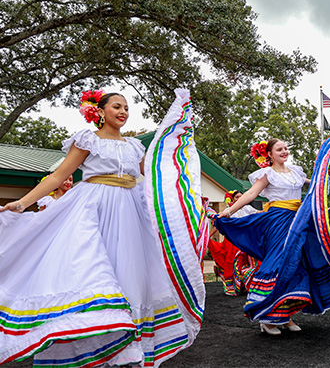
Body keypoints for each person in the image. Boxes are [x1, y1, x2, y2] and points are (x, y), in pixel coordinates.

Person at [0, 90, 205, 365]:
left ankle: (127, 349)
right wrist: (23, 203)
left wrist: (185, 200)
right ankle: (91, 341)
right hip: (93, 209)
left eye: (126, 108)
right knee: (94, 270)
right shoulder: (87, 139)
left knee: (131, 273)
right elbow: (59, 176)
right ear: (100, 111)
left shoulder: (134, 146)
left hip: (131, 211)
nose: (123, 112)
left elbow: (155, 178)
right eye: (116, 106)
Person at [215, 137, 330, 335]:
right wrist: (228, 211)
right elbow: (251, 194)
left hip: (298, 220)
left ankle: (285, 315)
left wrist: (327, 167)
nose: (284, 151)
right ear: (269, 154)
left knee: (297, 264)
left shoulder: (296, 172)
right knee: (279, 263)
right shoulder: (267, 174)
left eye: (286, 148)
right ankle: (265, 315)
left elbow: (316, 184)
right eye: (279, 149)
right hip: (278, 221)